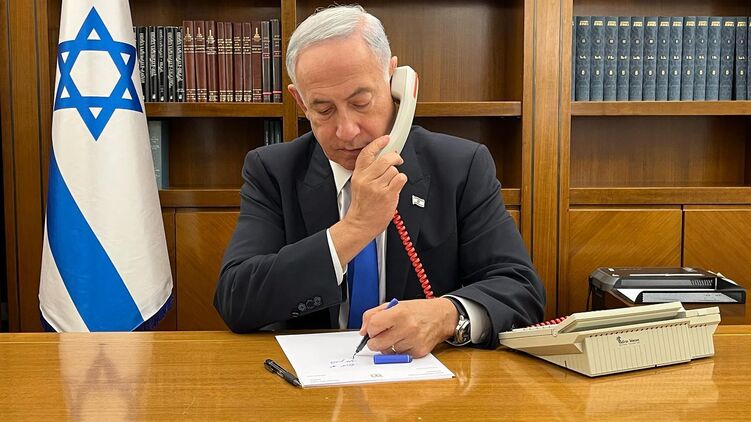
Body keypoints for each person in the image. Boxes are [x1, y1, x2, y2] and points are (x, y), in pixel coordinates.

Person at [214, 5, 545, 357]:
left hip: (431, 379)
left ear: (395, 82)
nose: (346, 131)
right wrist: (355, 228)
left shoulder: (461, 166)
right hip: (308, 381)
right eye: (323, 110)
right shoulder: (272, 170)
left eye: (361, 102)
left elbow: (521, 291)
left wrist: (448, 316)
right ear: (300, 102)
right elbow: (236, 299)